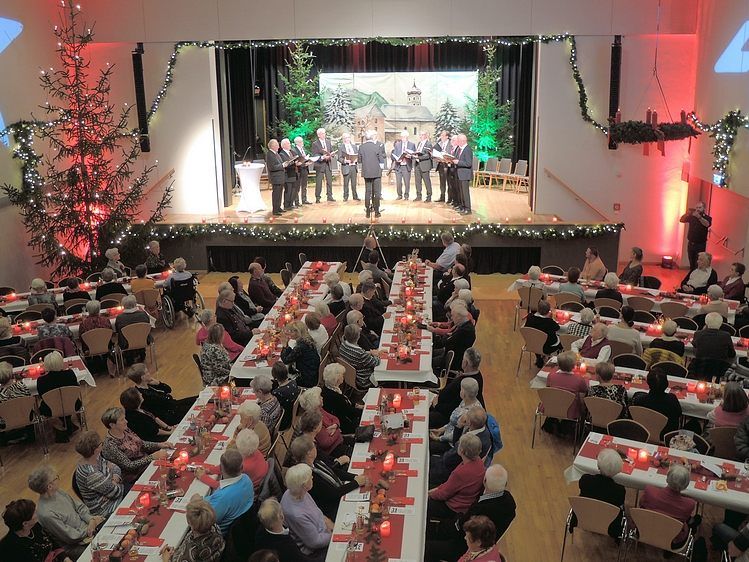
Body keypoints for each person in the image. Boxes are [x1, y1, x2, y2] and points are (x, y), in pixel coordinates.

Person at [28, 465, 104, 559]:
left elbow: (80, 508)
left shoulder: (59, 492)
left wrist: (91, 520)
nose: (58, 479)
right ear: (49, 486)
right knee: (104, 553)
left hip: (89, 529)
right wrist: (90, 528)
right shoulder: (46, 513)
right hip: (76, 545)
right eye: (56, 478)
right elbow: (71, 537)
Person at [288, 435, 364, 520]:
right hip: (333, 507)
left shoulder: (315, 462)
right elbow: (332, 494)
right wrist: (356, 483)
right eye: (314, 446)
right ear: (309, 453)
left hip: (340, 490)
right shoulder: (308, 476)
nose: (316, 448)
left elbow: (333, 471)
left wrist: (354, 477)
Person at [100, 406, 170, 485]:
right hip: (135, 476)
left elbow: (141, 443)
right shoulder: (110, 445)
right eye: (122, 420)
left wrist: (159, 445)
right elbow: (129, 465)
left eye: (125, 418)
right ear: (112, 425)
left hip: (147, 464)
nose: (126, 421)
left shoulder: (125, 430)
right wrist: (152, 457)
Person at [428, 434, 486, 519]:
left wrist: (429, 494)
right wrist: (435, 490)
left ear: (462, 451)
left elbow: (444, 494)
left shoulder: (461, 473)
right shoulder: (479, 462)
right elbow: (448, 486)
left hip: (453, 508)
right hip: (465, 503)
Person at [280, 463, 332, 557]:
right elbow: (315, 542)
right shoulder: (296, 514)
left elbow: (317, 512)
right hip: (316, 550)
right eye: (310, 477)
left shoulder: (297, 491)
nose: (312, 477)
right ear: (304, 485)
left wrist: (329, 523)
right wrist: (334, 534)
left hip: (324, 531)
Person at [640, 464, 697, 548]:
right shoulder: (689, 504)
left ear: (667, 478)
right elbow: (685, 519)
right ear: (686, 485)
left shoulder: (650, 491)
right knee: (695, 520)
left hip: (645, 530)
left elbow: (641, 504)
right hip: (673, 539)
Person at [573, 448, 625, 537]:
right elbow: (619, 504)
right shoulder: (619, 490)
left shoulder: (585, 480)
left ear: (598, 466)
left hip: (584, 517)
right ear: (617, 470)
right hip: (609, 524)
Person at [202, 448, 254, 535]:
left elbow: (205, 523)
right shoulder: (246, 479)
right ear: (241, 468)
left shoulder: (222, 498)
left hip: (221, 535)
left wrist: (197, 501)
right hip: (244, 526)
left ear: (221, 470)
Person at [0, 498, 70, 562]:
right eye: (34, 512)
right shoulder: (10, 548)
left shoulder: (35, 526)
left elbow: (53, 542)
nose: (37, 512)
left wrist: (65, 558)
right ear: (25, 523)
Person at [73, 430, 124, 518]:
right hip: (107, 509)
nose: (103, 444)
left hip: (115, 496)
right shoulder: (90, 474)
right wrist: (113, 482)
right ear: (96, 449)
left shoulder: (96, 457)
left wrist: (113, 480)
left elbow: (116, 468)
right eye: (101, 443)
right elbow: (116, 493)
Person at [430, 347, 485, 428]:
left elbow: (454, 408)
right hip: (441, 405)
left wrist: (436, 405)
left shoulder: (466, 385)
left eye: (463, 359)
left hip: (445, 416)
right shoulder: (477, 376)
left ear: (465, 363)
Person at [160, 497, 225, 562]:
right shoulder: (215, 528)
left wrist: (165, 558)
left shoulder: (192, 551)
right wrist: (176, 552)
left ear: (189, 522)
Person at [430, 378, 483, 455]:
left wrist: (439, 438)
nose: (460, 391)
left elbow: (458, 435)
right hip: (447, 434)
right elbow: (453, 422)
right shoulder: (465, 401)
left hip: (453, 445)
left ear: (464, 393)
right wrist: (441, 430)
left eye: (461, 389)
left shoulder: (469, 414)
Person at [37, 351, 80, 442]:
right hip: (72, 404)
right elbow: (75, 389)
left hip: (51, 409)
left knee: (49, 404)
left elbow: (41, 396)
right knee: (64, 401)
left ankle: (60, 427)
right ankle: (66, 422)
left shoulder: (41, 380)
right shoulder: (70, 374)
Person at [297, 388, 350, 458]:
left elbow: (335, 418)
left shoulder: (320, 410)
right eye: (320, 397)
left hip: (340, 440)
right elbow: (326, 443)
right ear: (315, 402)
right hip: (334, 450)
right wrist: (338, 430)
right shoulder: (314, 420)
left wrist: (335, 425)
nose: (322, 398)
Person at [632, 368, 682, 438]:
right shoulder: (672, 400)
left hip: (643, 434)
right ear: (666, 383)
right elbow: (679, 414)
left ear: (648, 383)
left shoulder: (639, 400)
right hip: (666, 437)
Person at [690, 311, 736, 381]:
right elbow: (732, 354)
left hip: (700, 368)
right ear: (721, 324)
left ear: (706, 323)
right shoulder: (726, 335)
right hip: (719, 369)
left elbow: (695, 350)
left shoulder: (698, 334)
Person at [320, 362, 362, 434]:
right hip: (344, 424)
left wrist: (357, 405)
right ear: (337, 379)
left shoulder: (328, 388)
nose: (343, 377)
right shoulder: (335, 397)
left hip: (342, 416)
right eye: (342, 375)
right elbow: (350, 412)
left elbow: (346, 403)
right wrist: (363, 411)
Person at [337, 324, 380, 391]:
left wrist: (370, 353)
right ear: (358, 337)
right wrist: (375, 354)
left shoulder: (342, 345)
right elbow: (377, 362)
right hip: (364, 380)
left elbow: (358, 356)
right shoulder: (360, 353)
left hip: (350, 377)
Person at [433, 305, 477, 372]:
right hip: (450, 352)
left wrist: (446, 336)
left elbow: (445, 342)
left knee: (428, 360)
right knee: (430, 353)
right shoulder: (465, 325)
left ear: (459, 317)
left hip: (453, 359)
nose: (452, 318)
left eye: (453, 316)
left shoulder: (464, 330)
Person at [546, 351, 588, 420]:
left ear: (558, 365)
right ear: (574, 365)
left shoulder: (551, 375)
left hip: (552, 405)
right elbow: (585, 390)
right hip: (571, 409)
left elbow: (548, 388)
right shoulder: (579, 379)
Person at [279, 321, 320, 388]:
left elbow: (286, 360)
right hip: (313, 372)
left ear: (298, 333)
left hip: (308, 379)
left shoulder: (300, 347)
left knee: (283, 381)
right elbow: (295, 354)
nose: (290, 334)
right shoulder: (308, 339)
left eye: (292, 332)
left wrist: (284, 345)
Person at [523, 299, 561, 367]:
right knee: (561, 338)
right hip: (547, 348)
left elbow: (526, 328)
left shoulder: (530, 317)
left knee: (536, 338)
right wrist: (551, 318)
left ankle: (539, 358)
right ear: (548, 311)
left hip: (532, 345)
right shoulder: (549, 322)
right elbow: (557, 328)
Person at [114, 295, 152, 364]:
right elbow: (148, 326)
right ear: (135, 304)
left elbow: (117, 331)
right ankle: (141, 352)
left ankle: (129, 357)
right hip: (144, 340)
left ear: (123, 305)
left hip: (126, 343)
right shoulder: (143, 314)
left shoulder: (120, 318)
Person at [358, 129, 385, 218]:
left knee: (367, 192)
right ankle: (376, 212)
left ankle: (368, 211)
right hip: (376, 172)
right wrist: (381, 168)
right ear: (372, 137)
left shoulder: (361, 147)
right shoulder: (377, 146)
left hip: (366, 172)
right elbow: (381, 159)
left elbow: (359, 160)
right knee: (376, 192)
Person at [680, 201, 712, 271]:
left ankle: (694, 279)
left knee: (698, 264)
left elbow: (707, 224)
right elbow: (681, 220)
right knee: (691, 263)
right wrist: (687, 213)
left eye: (700, 207)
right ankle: (691, 277)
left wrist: (699, 217)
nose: (698, 209)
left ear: (704, 208)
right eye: (696, 207)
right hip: (691, 243)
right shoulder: (692, 217)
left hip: (700, 245)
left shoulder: (707, 218)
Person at [0, 361, 31, 429]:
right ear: (11, 374)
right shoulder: (21, 386)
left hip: (5, 424)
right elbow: (29, 400)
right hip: (25, 418)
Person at [271, 362, 299, 432]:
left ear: (274, 377)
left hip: (282, 422)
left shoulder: (277, 392)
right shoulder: (294, 383)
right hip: (291, 416)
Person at [311, 128, 335, 203]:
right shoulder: (315, 144)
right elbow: (314, 154)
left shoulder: (328, 142)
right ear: (318, 135)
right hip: (320, 165)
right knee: (319, 182)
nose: (324, 135)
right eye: (322, 133)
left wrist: (331, 155)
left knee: (329, 181)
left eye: (324, 133)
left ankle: (330, 196)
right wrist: (322, 157)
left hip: (328, 164)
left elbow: (331, 151)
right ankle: (318, 197)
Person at [391, 130, 416, 200]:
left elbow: (414, 155)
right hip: (398, 166)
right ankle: (399, 195)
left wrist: (410, 156)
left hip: (406, 166)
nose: (403, 138)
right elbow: (394, 154)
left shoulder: (412, 145)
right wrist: (397, 159)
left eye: (404, 137)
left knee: (407, 182)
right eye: (402, 137)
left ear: (407, 137)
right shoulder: (397, 145)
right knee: (398, 182)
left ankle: (406, 196)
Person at [337, 132, 359, 201]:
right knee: (346, 183)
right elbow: (339, 158)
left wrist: (356, 159)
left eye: (348, 137)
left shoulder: (354, 146)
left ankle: (355, 196)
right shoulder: (341, 147)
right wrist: (345, 161)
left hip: (353, 166)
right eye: (346, 138)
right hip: (346, 166)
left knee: (354, 183)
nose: (347, 139)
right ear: (343, 139)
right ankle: (345, 197)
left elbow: (357, 155)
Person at [266, 139, 286, 215]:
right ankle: (275, 210)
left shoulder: (276, 153)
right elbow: (272, 167)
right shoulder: (270, 154)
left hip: (280, 177)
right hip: (275, 178)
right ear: (273, 146)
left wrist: (284, 164)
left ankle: (278, 207)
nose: (278, 146)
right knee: (276, 194)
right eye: (277, 144)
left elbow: (279, 163)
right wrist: (282, 165)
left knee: (280, 193)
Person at [454, 134, 473, 214]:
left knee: (465, 193)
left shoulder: (467, 149)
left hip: (465, 174)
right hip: (460, 174)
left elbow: (468, 163)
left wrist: (458, 162)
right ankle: (462, 207)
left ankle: (467, 209)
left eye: (458, 140)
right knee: (460, 192)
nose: (457, 142)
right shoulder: (460, 149)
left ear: (462, 141)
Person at [413, 130, 433, 201]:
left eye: (422, 135)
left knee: (427, 181)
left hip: (425, 165)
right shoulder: (419, 143)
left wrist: (418, 157)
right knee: (418, 181)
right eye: (420, 135)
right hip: (417, 165)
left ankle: (429, 196)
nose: (420, 136)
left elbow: (428, 156)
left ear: (425, 136)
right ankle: (418, 196)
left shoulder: (428, 144)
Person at [280, 138, 298, 211]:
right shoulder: (282, 154)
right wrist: (294, 163)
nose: (290, 144)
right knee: (288, 190)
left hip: (293, 174)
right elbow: (286, 163)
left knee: (293, 190)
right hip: (288, 175)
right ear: (283, 145)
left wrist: (297, 162)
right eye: (288, 143)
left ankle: (291, 204)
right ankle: (286, 205)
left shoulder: (291, 152)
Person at [433, 129, 451, 202]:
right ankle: (442, 197)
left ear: (447, 136)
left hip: (448, 166)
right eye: (441, 135)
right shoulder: (439, 144)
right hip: (441, 165)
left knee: (449, 183)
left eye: (443, 135)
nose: (441, 137)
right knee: (442, 182)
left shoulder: (450, 144)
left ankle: (450, 199)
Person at [292, 136, 311, 206]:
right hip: (299, 170)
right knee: (297, 186)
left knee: (304, 185)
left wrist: (308, 161)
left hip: (305, 169)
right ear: (297, 143)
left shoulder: (304, 149)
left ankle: (304, 199)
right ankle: (296, 201)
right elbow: (296, 160)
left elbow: (305, 158)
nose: (302, 143)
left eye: (302, 141)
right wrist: (303, 163)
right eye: (301, 142)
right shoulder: (294, 150)